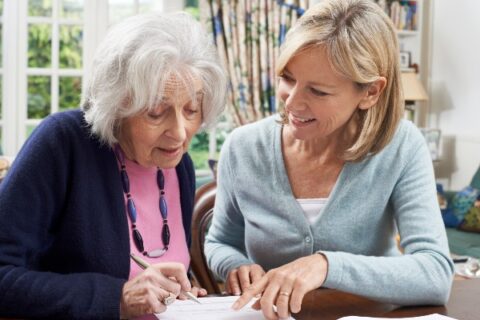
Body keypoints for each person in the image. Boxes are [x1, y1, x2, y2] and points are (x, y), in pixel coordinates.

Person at [204, 0, 454, 319]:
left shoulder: (401, 145)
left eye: (318, 92)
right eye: (288, 78)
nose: (292, 103)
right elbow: (221, 242)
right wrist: (235, 265)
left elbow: (434, 274)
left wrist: (326, 265)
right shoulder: (242, 147)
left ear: (371, 92)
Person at [0, 11, 226, 319]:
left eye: (192, 109)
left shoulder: (179, 165)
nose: (180, 132)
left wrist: (177, 294)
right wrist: (116, 298)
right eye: (156, 113)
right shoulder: (63, 144)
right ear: (117, 104)